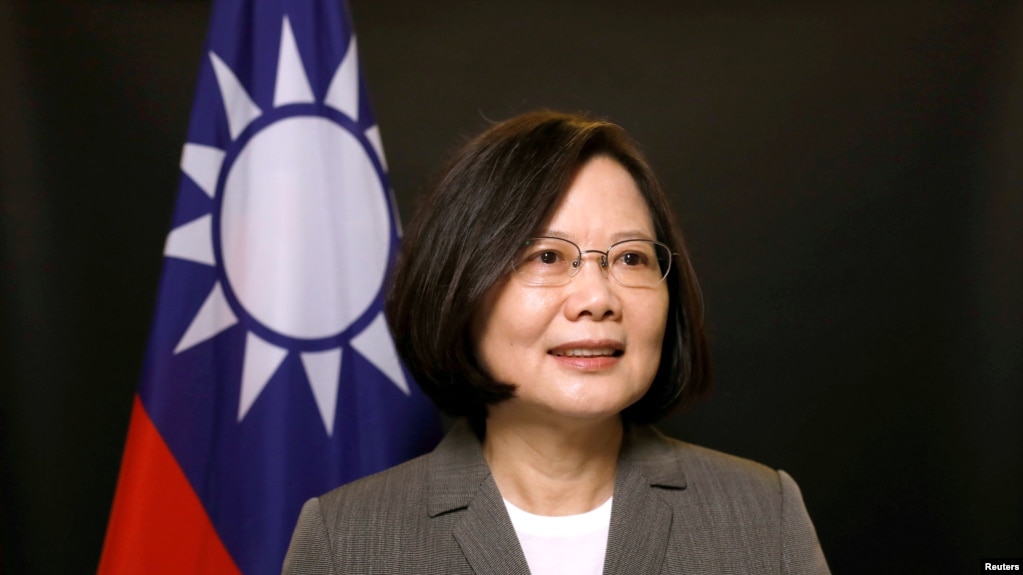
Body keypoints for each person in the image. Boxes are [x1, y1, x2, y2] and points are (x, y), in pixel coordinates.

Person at [282, 110, 830, 574]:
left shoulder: (763, 515)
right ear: (459, 288)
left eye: (631, 258)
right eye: (546, 256)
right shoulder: (346, 542)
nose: (597, 297)